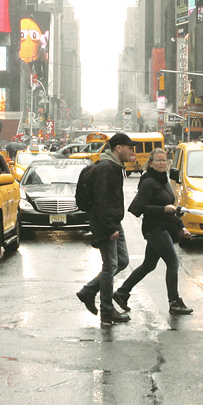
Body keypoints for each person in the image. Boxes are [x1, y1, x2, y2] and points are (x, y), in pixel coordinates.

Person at [115, 149, 193, 315]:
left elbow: (171, 206)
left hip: (164, 227)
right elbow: (140, 208)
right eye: (158, 160)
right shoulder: (148, 181)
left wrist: (181, 227)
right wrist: (162, 209)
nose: (162, 163)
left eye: (164, 160)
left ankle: (122, 293)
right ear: (150, 163)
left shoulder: (164, 179)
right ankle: (174, 302)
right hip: (154, 228)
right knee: (173, 262)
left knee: (148, 265)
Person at [76, 132, 134, 328]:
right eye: (129, 147)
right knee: (110, 266)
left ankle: (88, 291)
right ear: (118, 148)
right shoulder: (106, 169)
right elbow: (101, 200)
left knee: (122, 261)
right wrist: (109, 228)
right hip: (106, 223)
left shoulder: (115, 167)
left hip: (114, 221)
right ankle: (107, 311)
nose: (131, 151)